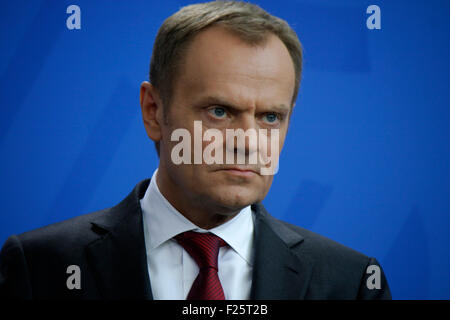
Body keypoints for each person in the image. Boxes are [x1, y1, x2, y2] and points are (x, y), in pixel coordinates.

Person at [0, 1, 391, 299]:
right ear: (154, 111)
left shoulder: (350, 282)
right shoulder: (40, 266)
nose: (249, 142)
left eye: (271, 117)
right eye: (219, 111)